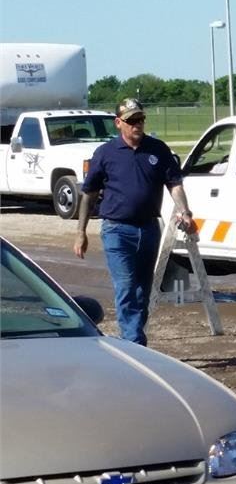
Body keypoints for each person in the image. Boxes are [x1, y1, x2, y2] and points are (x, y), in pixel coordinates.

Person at [73, 98, 195, 346]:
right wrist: (80, 231)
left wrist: (185, 211)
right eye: (131, 121)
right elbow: (89, 194)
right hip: (117, 230)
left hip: (149, 229)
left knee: (142, 290)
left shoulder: (158, 149)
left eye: (140, 120)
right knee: (126, 286)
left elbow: (174, 184)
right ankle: (134, 343)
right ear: (119, 123)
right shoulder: (105, 153)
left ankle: (134, 339)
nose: (137, 125)